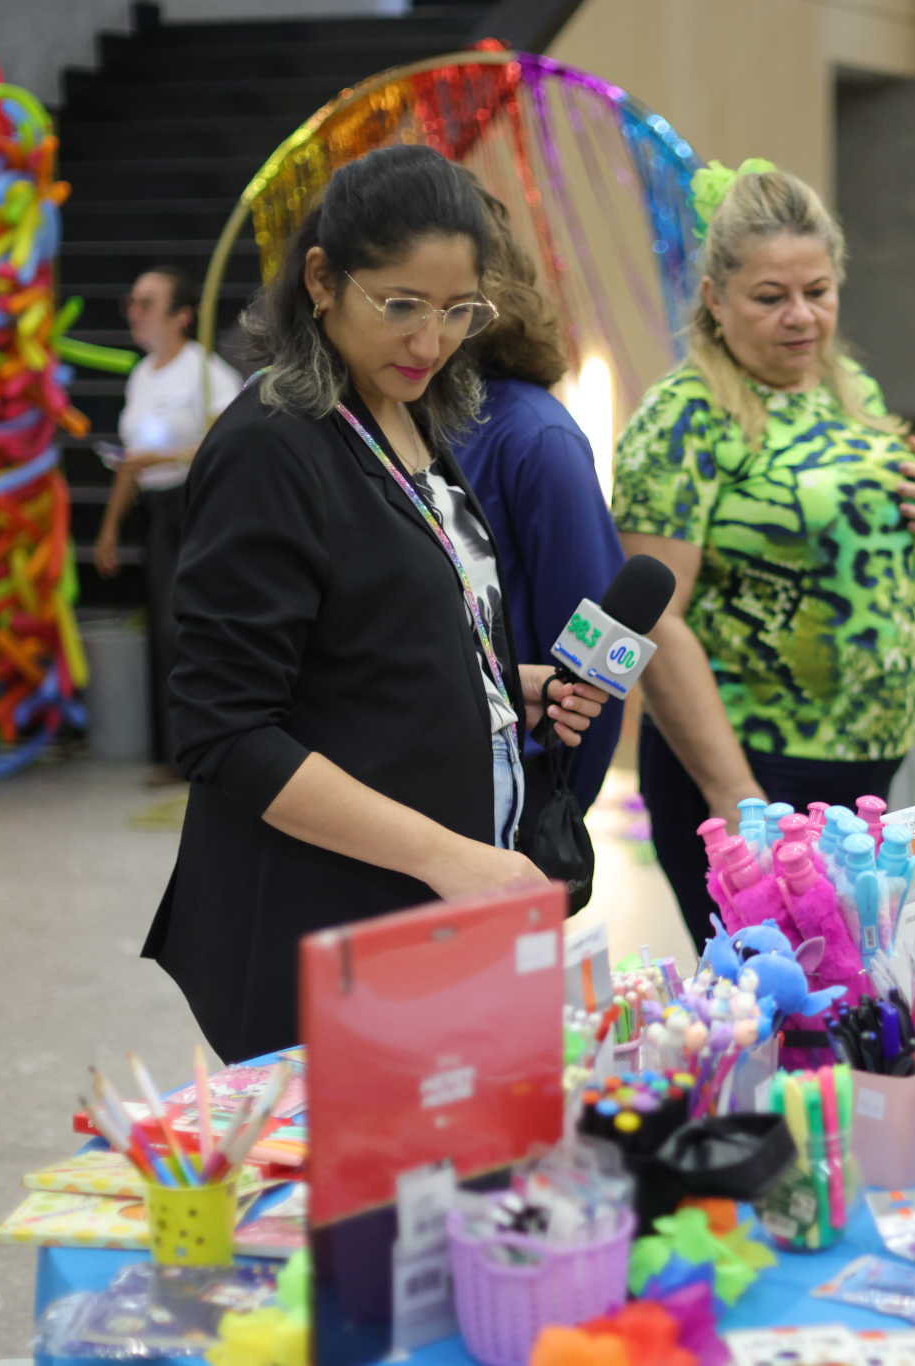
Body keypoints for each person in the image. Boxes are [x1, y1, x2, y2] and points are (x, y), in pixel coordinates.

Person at [141, 146, 608, 1062]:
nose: (429, 342)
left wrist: (506, 685)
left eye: (457, 311)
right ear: (321, 280)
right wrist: (447, 855)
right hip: (324, 923)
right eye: (400, 306)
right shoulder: (272, 446)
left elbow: (368, 637)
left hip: (425, 909)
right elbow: (229, 729)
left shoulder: (412, 412)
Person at [610, 159, 915, 950]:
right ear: (714, 299)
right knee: (781, 1009)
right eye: (770, 298)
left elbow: (859, 567)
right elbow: (651, 621)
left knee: (854, 1003)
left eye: (818, 291)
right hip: (756, 767)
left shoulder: (849, 390)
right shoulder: (684, 420)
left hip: (863, 761)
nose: (800, 317)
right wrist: (738, 798)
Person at [451, 177, 626, 832]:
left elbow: (601, 655)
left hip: (505, 795)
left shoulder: (535, 436)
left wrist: (556, 817)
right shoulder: (386, 422)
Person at [93, 265, 243, 782]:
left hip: (198, 507)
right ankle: (173, 752)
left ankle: (209, 748)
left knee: (193, 626)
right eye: (131, 302)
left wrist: (165, 457)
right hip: (157, 514)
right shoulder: (142, 375)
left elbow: (232, 443)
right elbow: (131, 461)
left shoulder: (207, 372)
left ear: (181, 316)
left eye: (147, 304)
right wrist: (110, 528)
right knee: (164, 630)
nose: (135, 313)